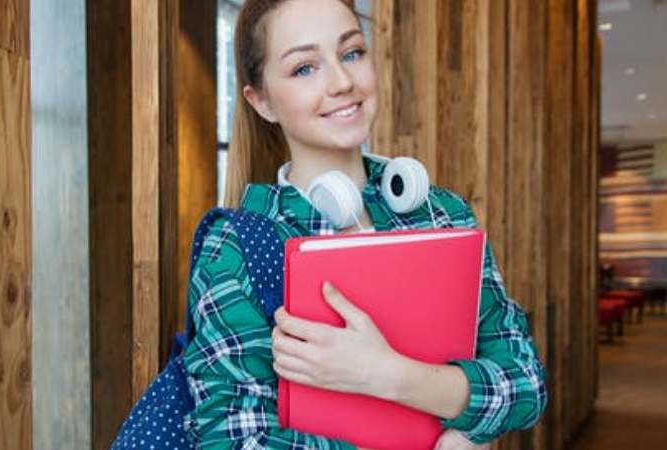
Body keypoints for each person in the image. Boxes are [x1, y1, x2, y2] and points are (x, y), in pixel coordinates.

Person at [182, 0, 547, 449]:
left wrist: (388, 375)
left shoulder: (442, 214)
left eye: (351, 53)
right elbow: (234, 439)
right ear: (261, 102)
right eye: (304, 68)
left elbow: (526, 383)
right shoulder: (238, 246)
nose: (342, 82)